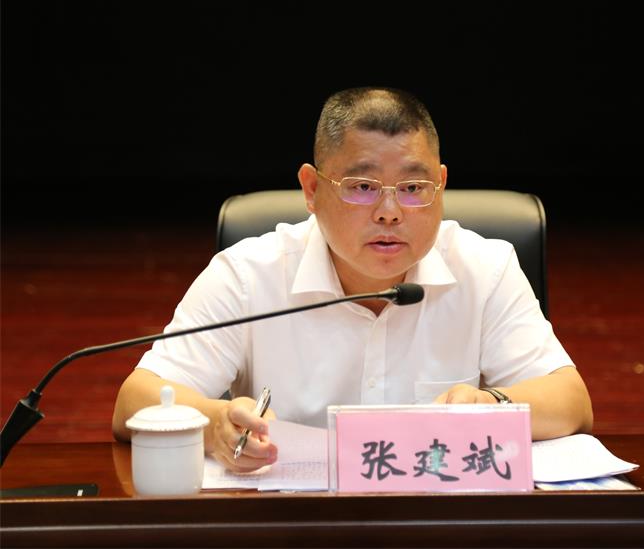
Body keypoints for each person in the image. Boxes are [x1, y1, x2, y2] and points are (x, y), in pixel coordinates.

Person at [112, 86, 593, 474]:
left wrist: (492, 404)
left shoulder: (485, 268)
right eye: (363, 187)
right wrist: (217, 422)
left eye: (413, 188)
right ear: (312, 189)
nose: (390, 212)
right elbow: (135, 401)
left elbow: (571, 402)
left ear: (441, 187)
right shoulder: (247, 274)